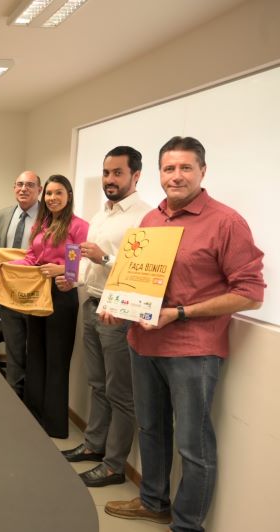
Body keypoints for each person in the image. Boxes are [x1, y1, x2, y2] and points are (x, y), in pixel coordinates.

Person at [105, 137, 265, 532]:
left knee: (193, 445)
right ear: (159, 173)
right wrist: (119, 305)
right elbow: (138, 280)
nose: (176, 176)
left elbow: (250, 294)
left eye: (185, 168)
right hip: (143, 343)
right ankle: (152, 502)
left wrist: (179, 313)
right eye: (169, 168)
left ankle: (187, 524)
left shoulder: (226, 222)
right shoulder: (151, 219)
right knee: (151, 430)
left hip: (193, 351)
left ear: (202, 171)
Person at [56, 147, 151, 487]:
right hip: (92, 304)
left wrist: (105, 258)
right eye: (106, 173)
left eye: (118, 173)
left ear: (135, 176)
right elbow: (87, 262)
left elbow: (142, 271)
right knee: (97, 383)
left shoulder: (145, 217)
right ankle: (94, 445)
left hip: (119, 312)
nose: (110, 179)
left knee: (120, 392)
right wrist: (73, 279)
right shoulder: (101, 215)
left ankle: (113, 466)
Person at [0, 174, 88, 438]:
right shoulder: (43, 224)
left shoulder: (78, 226)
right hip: (37, 294)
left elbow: (82, 264)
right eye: (49, 193)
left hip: (61, 295)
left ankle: (54, 425)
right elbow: (31, 258)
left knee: (56, 360)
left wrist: (63, 270)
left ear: (69, 196)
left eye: (59, 193)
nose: (53, 198)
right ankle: (33, 417)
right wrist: (6, 265)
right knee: (35, 356)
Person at [0, 170, 42, 399]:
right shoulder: (4, 214)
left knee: (35, 351)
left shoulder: (48, 216)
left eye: (29, 185)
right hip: (8, 291)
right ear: (14, 188)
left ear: (39, 190)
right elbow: (1, 243)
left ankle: (32, 401)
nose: (23, 189)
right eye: (19, 184)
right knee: (13, 349)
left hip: (34, 293)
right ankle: (14, 399)